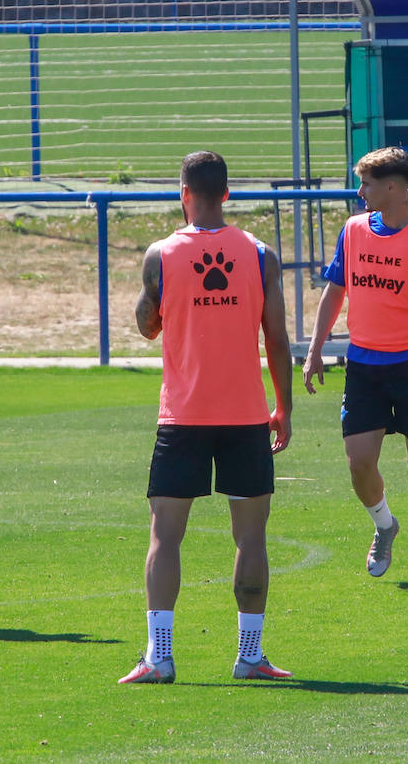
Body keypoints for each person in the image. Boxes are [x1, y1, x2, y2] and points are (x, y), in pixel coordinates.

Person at [119, 151, 294, 684]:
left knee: (165, 535)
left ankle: (160, 656)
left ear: (183, 193)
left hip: (183, 417)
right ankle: (249, 654)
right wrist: (283, 407)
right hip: (245, 415)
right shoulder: (260, 255)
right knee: (252, 537)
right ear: (226, 194)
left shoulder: (161, 254)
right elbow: (278, 338)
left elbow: (147, 326)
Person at [302, 146, 408, 588]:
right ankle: (383, 524)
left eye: (367, 184)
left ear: (392, 187)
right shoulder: (354, 230)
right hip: (363, 365)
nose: (360, 192)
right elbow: (334, 292)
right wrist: (316, 348)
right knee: (359, 462)